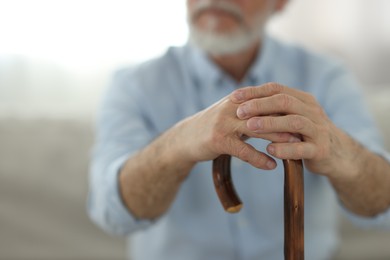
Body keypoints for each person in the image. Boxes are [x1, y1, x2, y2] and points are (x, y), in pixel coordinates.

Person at [87, 0, 390, 259]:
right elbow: (114, 214)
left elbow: (382, 206)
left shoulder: (327, 77)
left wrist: (343, 152)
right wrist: (177, 145)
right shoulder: (133, 86)